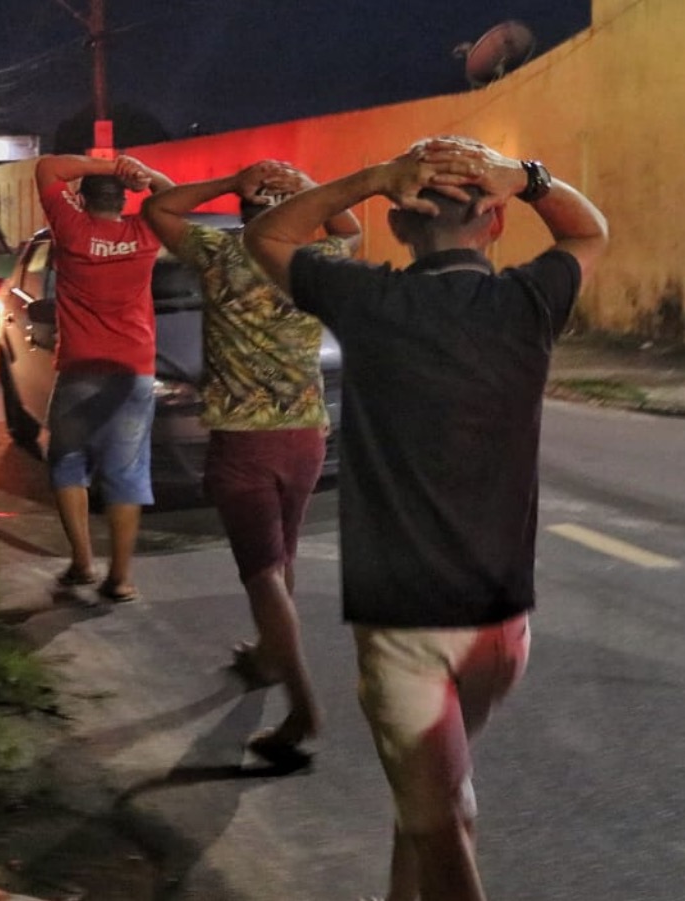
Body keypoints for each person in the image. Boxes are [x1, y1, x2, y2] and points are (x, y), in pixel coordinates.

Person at [244, 137, 609, 901]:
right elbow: (588, 231)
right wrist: (530, 178)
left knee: (439, 818)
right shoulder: (528, 302)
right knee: (436, 800)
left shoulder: (368, 300)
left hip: (407, 626)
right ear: (497, 224)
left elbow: (266, 234)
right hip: (503, 627)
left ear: (401, 226)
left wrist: (373, 175)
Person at [141, 160, 361, 768]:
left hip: (245, 440)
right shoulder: (314, 263)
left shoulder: (221, 255)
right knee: (281, 559)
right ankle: (269, 655)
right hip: (307, 436)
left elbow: (157, 210)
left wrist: (230, 181)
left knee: (262, 571)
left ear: (242, 215)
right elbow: (351, 229)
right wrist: (308, 187)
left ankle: (302, 705)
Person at [35, 153, 175, 604]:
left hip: (79, 369)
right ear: (125, 200)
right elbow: (170, 195)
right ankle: (121, 577)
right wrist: (142, 172)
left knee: (67, 464)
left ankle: (82, 561)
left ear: (82, 198)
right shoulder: (145, 233)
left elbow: (47, 167)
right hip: (133, 370)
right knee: (126, 472)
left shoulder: (72, 231)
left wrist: (111, 166)